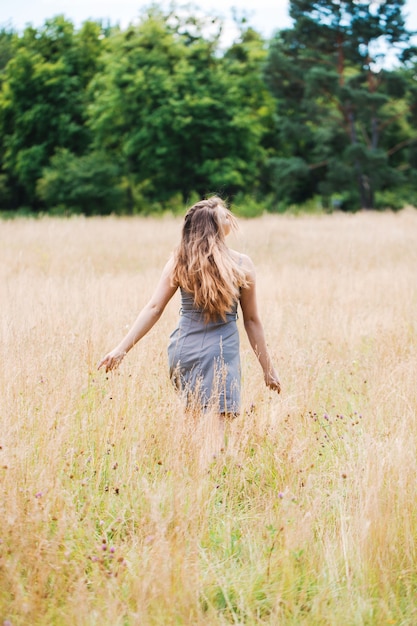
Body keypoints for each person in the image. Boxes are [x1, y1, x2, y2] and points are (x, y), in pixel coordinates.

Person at [98, 197, 281, 417]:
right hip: (221, 352)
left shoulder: (180, 261)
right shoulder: (241, 264)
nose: (230, 218)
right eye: (224, 216)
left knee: (193, 426)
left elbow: (154, 307)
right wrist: (268, 370)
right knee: (216, 429)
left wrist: (121, 349)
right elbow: (251, 321)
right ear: (213, 228)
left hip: (182, 351)